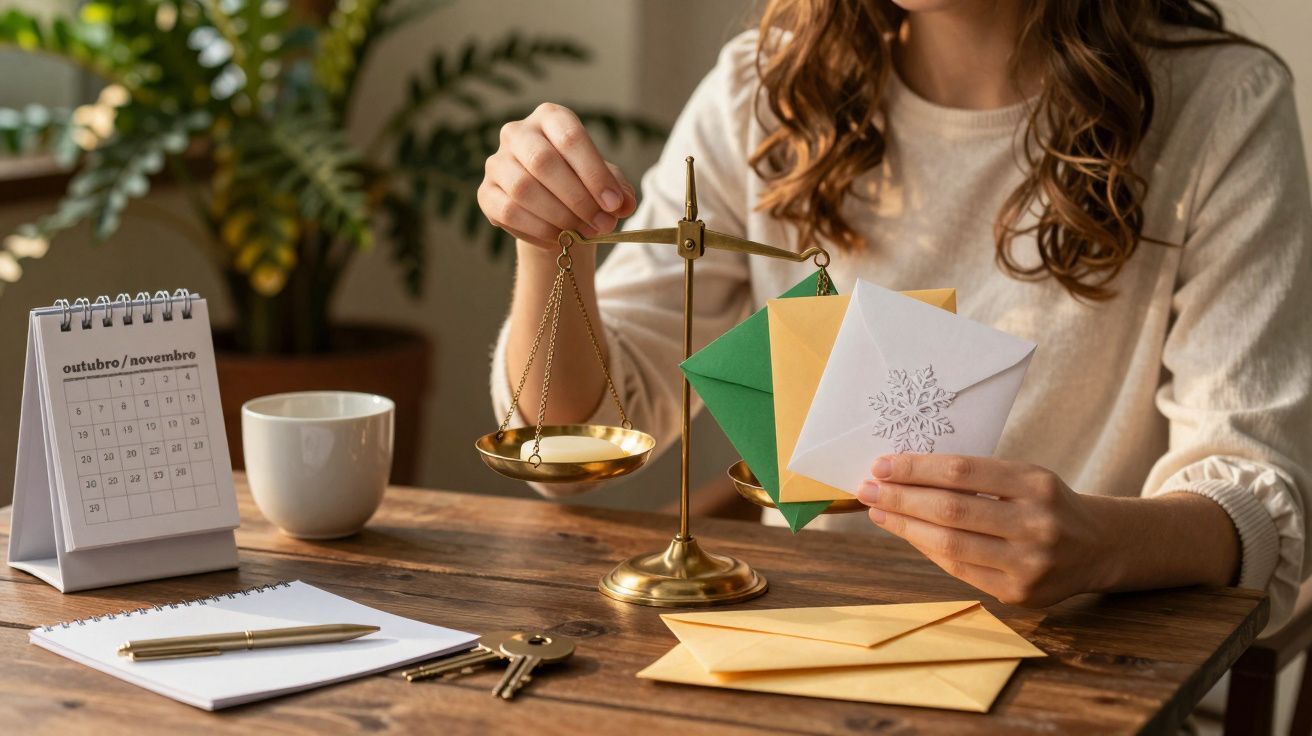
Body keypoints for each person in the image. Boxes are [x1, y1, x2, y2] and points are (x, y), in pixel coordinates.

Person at [480, 0, 1312, 629]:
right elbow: (577, 424)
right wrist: (548, 246)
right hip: (797, 640)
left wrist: (1100, 543)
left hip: (1080, 654)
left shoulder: (1219, 109)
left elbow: (1253, 496)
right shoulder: (760, 94)